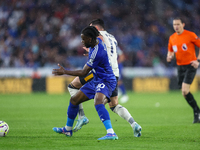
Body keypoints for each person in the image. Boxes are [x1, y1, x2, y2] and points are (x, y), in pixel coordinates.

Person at [68, 19, 142, 137]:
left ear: (96, 29)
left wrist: (89, 51)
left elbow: (98, 50)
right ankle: (134, 124)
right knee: (114, 105)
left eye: (91, 28)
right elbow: (114, 54)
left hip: (102, 73)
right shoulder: (113, 37)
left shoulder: (100, 37)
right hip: (114, 73)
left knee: (72, 85)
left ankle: (81, 116)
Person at [52, 26, 119, 140]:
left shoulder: (97, 51)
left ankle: (111, 133)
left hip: (106, 80)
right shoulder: (95, 44)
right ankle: (68, 130)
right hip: (97, 80)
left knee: (98, 102)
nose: (82, 41)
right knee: (74, 100)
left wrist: (65, 71)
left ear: (90, 39)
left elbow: (83, 72)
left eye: (84, 39)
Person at [167, 17, 200, 123]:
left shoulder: (190, 35)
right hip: (180, 67)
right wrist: (169, 56)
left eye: (178, 24)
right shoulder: (172, 38)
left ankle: (197, 111)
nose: (176, 27)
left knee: (185, 90)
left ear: (183, 24)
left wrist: (198, 60)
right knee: (184, 93)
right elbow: (170, 51)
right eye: (174, 25)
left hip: (190, 65)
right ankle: (197, 110)